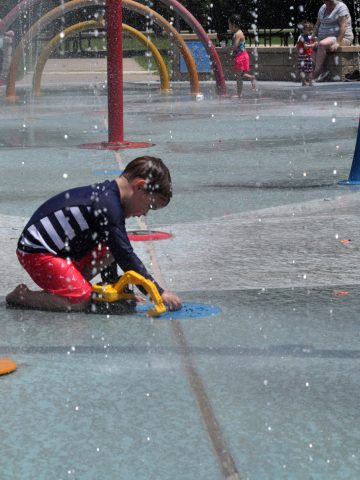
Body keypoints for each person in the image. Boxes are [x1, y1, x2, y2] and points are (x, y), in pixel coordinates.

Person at [6, 156, 182, 312]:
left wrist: (114, 288)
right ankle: (22, 296)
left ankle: (70, 287)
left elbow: (113, 248)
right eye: (150, 206)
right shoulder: (108, 205)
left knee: (112, 247)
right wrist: (158, 293)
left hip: (60, 253)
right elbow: (124, 254)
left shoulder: (110, 198)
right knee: (81, 299)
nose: (145, 213)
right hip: (37, 253)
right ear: (139, 186)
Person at [312, 0, 354, 81]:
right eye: (325, 1)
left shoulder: (341, 7)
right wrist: (312, 37)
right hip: (324, 38)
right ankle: (322, 73)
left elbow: (343, 26)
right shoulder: (322, 8)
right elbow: (317, 24)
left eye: (330, 2)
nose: (327, 4)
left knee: (322, 44)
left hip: (342, 38)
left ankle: (315, 74)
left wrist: (338, 42)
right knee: (308, 46)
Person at [228, 14, 256, 97]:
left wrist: (228, 48)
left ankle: (239, 94)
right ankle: (251, 77)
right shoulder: (239, 32)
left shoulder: (238, 34)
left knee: (238, 77)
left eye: (229, 24)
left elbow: (235, 46)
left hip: (241, 57)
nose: (228, 26)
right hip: (243, 56)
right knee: (241, 74)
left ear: (233, 25)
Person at [296, 21, 316, 86]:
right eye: (304, 29)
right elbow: (306, 46)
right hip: (306, 56)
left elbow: (297, 46)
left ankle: (303, 82)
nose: (304, 30)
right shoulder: (305, 37)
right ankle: (310, 82)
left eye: (305, 29)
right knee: (309, 70)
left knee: (302, 70)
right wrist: (313, 45)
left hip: (301, 56)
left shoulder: (300, 36)